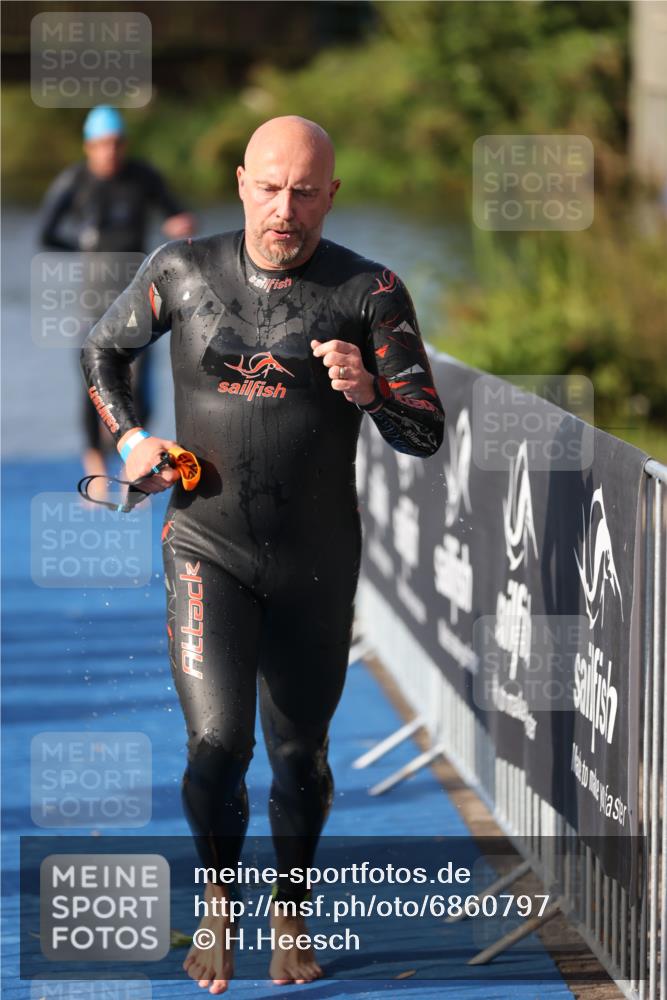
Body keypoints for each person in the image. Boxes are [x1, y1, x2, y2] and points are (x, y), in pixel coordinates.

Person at [80, 116, 445, 992]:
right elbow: (105, 348)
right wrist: (130, 439)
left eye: (306, 192)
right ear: (243, 182)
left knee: (298, 757)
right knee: (217, 745)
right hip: (205, 544)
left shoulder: (370, 289)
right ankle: (216, 906)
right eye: (271, 187)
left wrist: (368, 392)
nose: (286, 209)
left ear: (331, 194)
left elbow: (424, 430)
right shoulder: (181, 272)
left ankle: (289, 909)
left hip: (316, 561)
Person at [39, 105, 195, 483]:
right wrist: (85, 249)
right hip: (95, 293)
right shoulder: (74, 181)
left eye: (117, 144)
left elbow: (178, 215)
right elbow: (46, 233)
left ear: (124, 145)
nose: (110, 152)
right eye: (103, 144)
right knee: (93, 375)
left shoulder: (142, 177)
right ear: (89, 146)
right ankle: (93, 461)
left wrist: (180, 224)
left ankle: (134, 465)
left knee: (138, 382)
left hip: (137, 293)